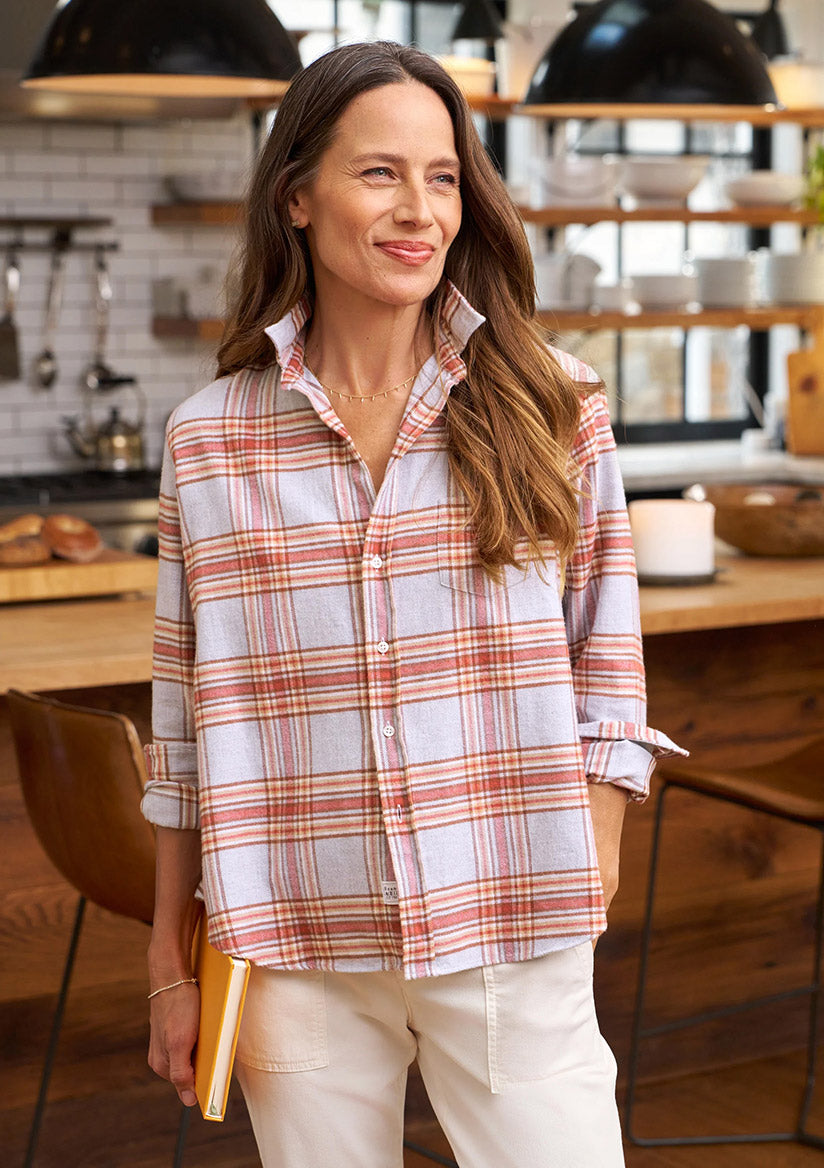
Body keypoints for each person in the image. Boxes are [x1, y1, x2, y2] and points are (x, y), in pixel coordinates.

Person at [141, 40, 683, 1168]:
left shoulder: (554, 404)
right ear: (296, 195)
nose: (419, 210)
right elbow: (186, 727)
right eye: (379, 173)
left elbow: (608, 656)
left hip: (512, 917)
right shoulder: (208, 439)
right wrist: (169, 967)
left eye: (441, 178)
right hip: (294, 938)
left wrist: (593, 842)